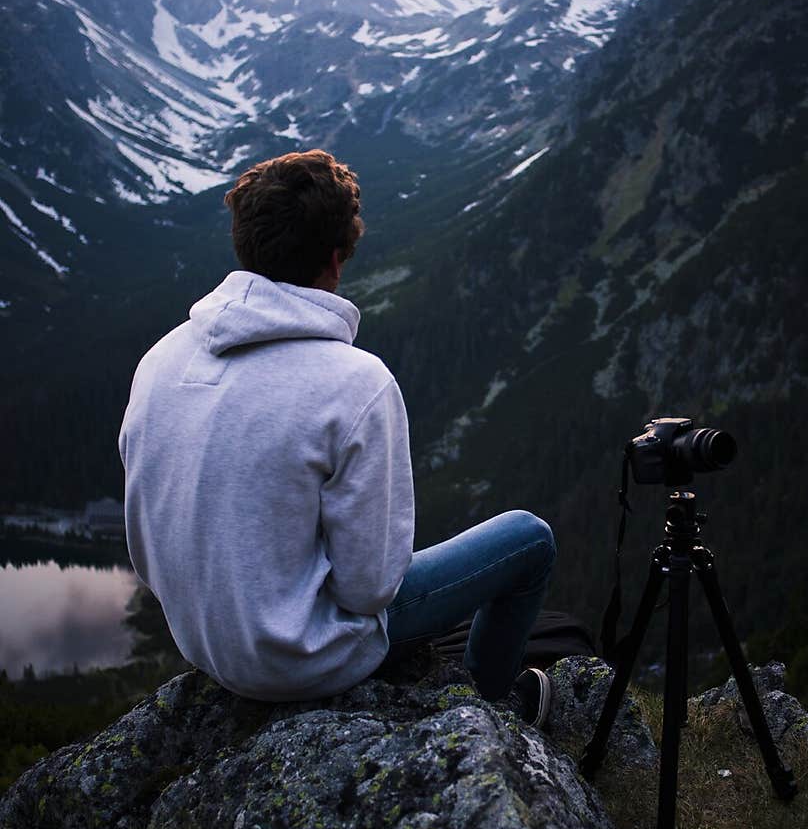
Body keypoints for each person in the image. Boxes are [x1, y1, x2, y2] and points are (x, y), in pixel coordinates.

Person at [119, 149, 556, 725]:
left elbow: (146, 543)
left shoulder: (160, 358)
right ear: (336, 257)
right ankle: (489, 709)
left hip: (202, 643)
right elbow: (370, 589)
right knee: (529, 540)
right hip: (303, 659)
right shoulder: (356, 382)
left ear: (244, 241)